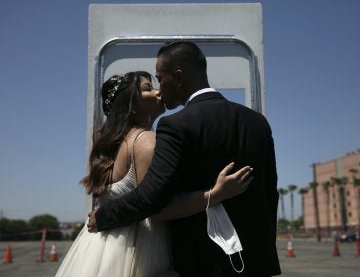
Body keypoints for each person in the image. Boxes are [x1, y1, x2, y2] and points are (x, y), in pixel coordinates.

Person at [88, 41, 281, 276]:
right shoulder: (257, 122)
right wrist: (265, 250)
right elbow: (271, 193)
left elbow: (152, 197)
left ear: (178, 77)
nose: (160, 88)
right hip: (257, 262)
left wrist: (104, 215)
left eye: (160, 78)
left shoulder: (176, 125)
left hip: (201, 263)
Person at [56, 71, 253, 277]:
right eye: (148, 89)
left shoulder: (113, 145)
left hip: (100, 248)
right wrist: (216, 194)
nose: (159, 92)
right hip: (138, 248)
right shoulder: (145, 140)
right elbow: (157, 207)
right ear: (131, 105)